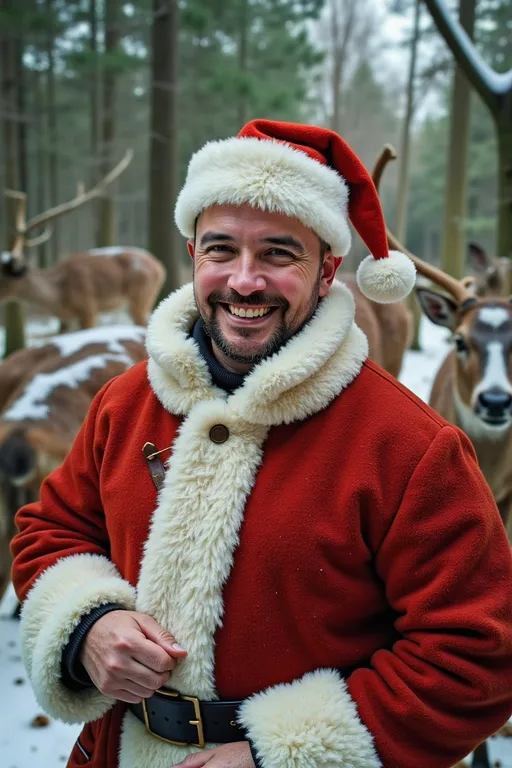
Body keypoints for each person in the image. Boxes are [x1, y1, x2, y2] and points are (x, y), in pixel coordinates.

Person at [11, 119, 512, 768]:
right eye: (221, 249)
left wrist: (281, 755)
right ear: (193, 253)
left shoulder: (411, 447)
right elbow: (51, 530)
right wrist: (86, 625)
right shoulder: (126, 403)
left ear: (328, 270)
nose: (244, 281)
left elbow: (477, 655)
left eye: (279, 253)